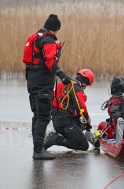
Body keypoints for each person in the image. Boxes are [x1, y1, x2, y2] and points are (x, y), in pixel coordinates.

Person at [25, 14, 71, 160]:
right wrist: (63, 76)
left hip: (32, 83)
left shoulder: (35, 38)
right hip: (43, 85)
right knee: (44, 117)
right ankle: (38, 151)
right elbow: (50, 61)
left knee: (37, 116)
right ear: (56, 29)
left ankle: (37, 149)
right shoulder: (48, 40)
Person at [44, 69, 94, 151]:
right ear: (84, 82)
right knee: (83, 145)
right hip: (64, 121)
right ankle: (55, 139)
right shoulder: (76, 89)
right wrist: (87, 118)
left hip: (58, 119)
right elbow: (81, 107)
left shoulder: (65, 85)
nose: (85, 88)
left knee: (80, 127)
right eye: (86, 85)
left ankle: (56, 136)